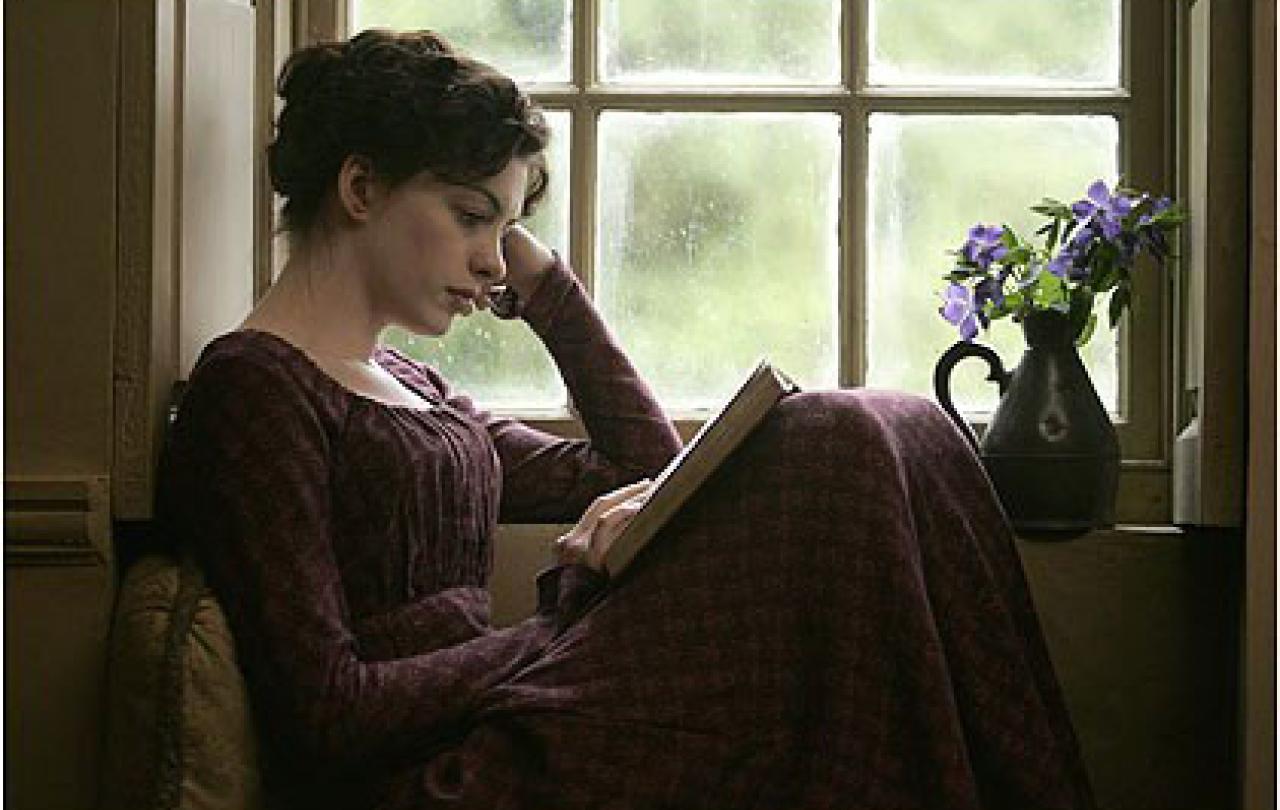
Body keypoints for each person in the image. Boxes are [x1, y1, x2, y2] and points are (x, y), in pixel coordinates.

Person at [156, 29, 1096, 810]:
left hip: (517, 710)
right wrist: (567, 623)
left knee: (898, 427)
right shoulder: (255, 389)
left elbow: (649, 470)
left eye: (506, 230)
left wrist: (551, 292)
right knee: (834, 444)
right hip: (442, 777)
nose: (492, 261)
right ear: (360, 190)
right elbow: (329, 713)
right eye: (470, 216)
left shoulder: (416, 391)